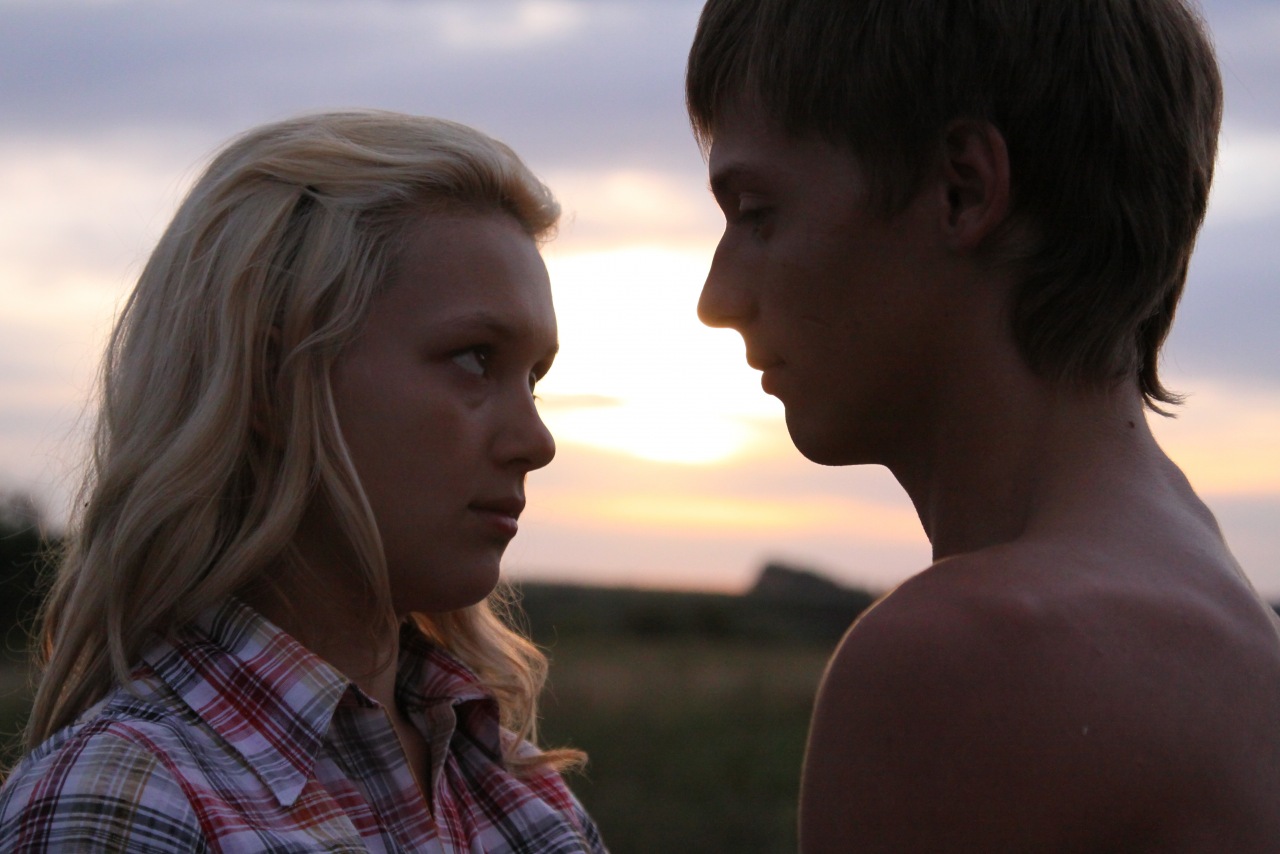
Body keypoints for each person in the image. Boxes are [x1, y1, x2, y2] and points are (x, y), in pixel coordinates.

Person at [686, 0, 1280, 849]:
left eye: (756, 212)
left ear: (961, 190)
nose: (716, 300)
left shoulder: (969, 656)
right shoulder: (1214, 603)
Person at [0, 110, 606, 853]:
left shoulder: (521, 793)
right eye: (475, 359)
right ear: (272, 382)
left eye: (534, 379)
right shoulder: (127, 803)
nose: (536, 443)